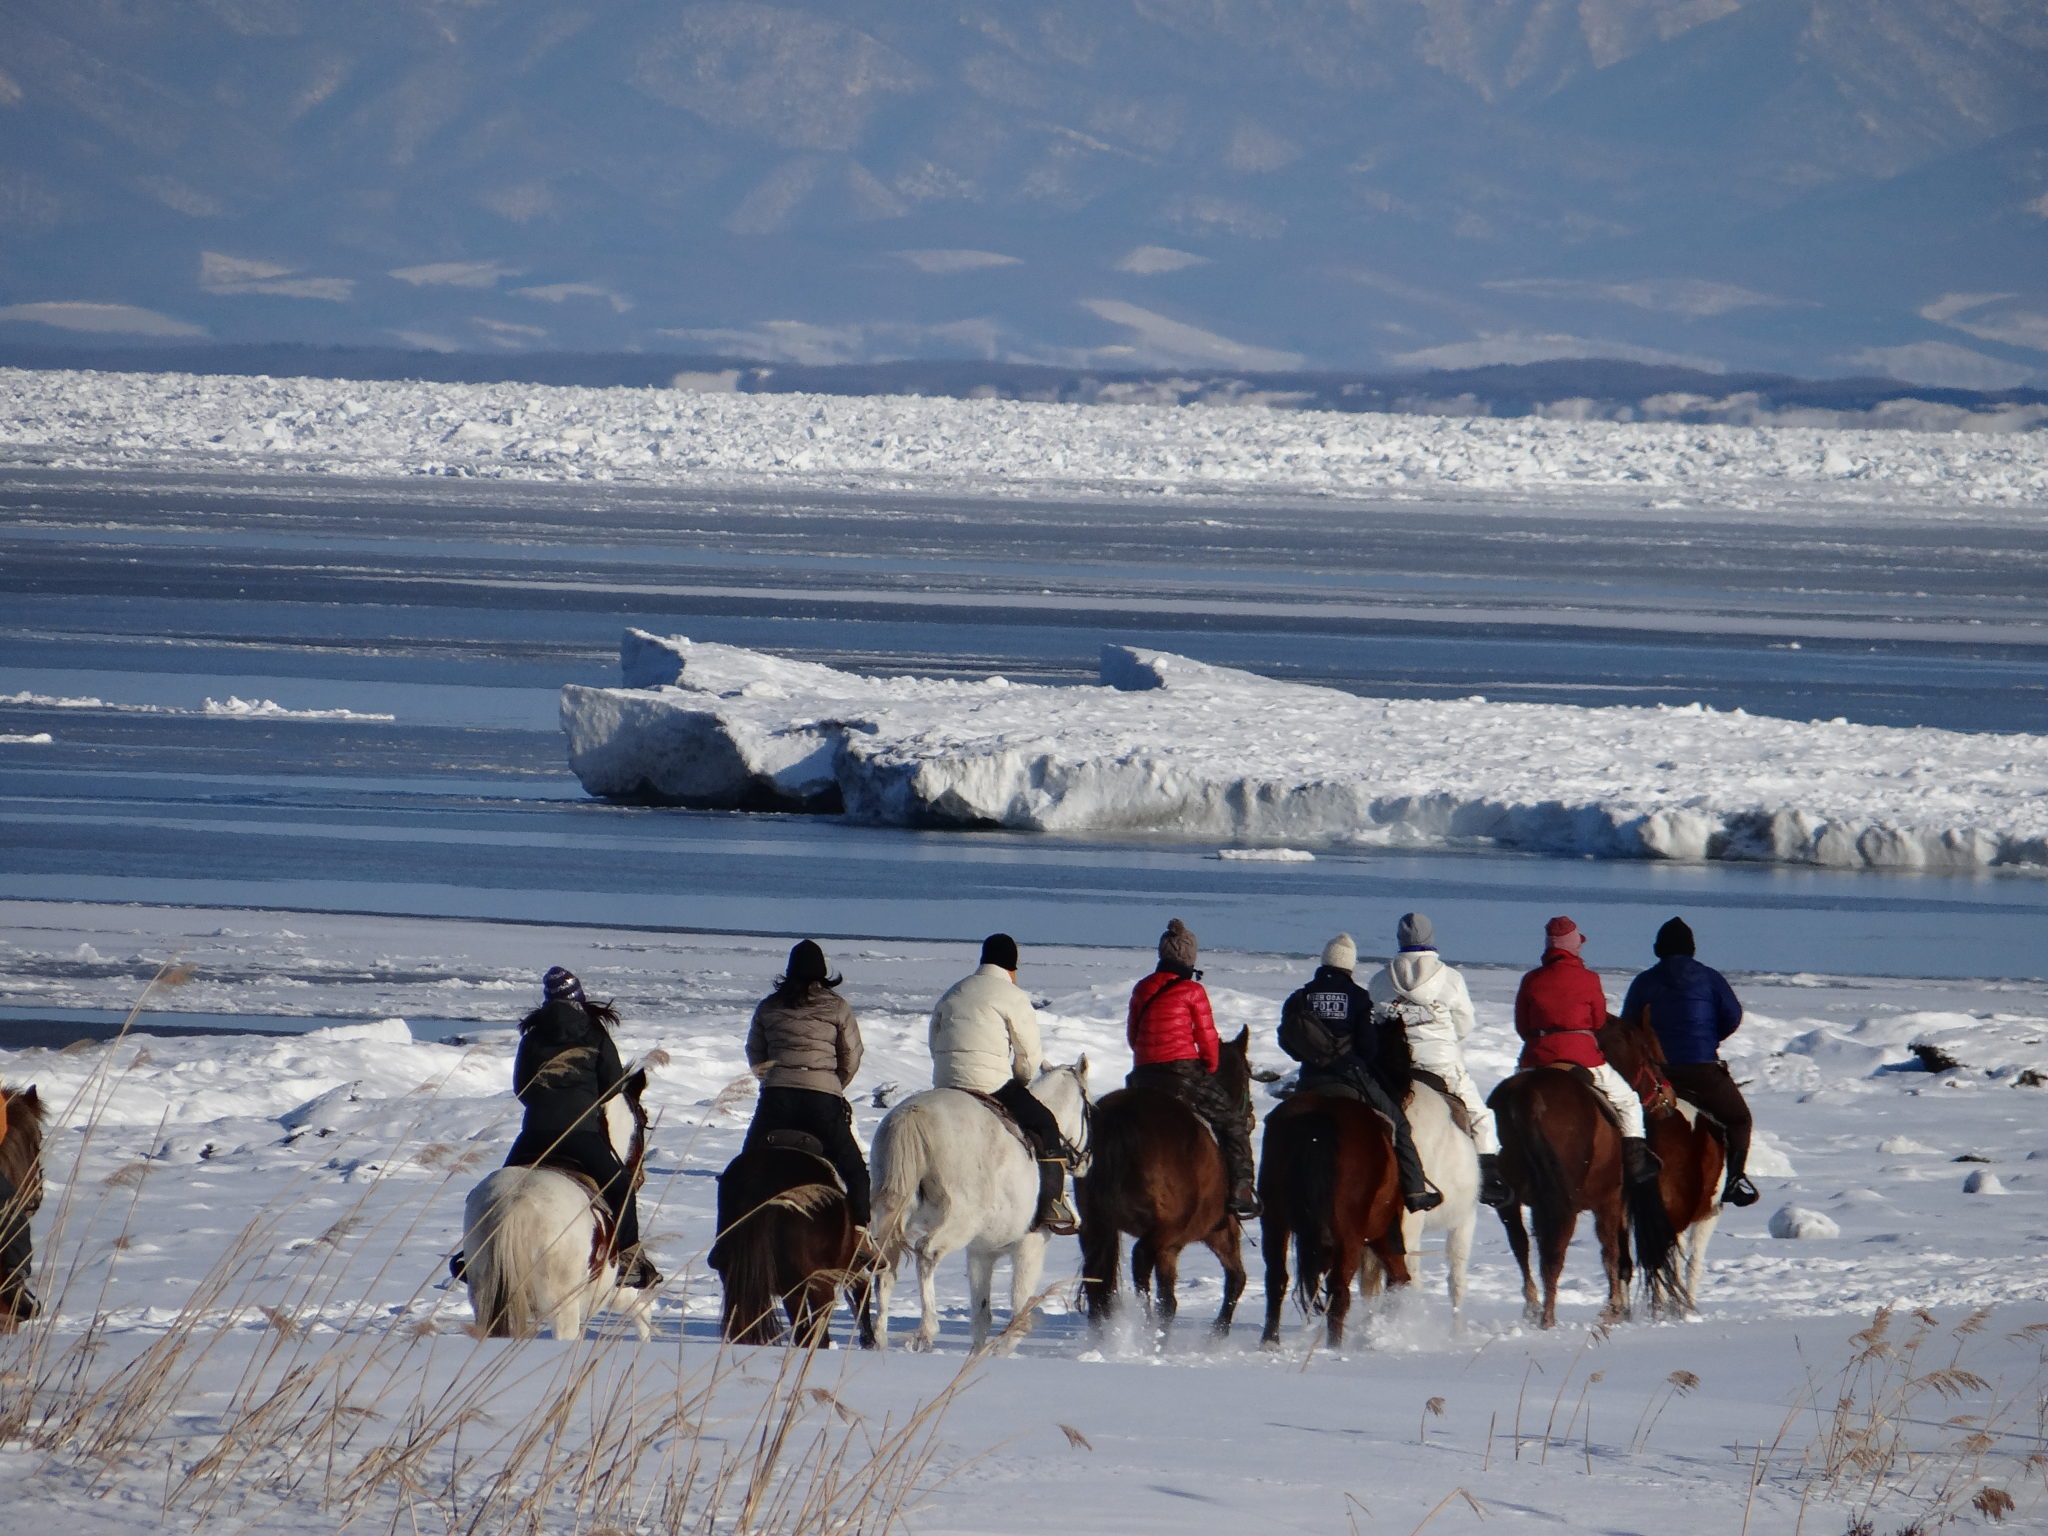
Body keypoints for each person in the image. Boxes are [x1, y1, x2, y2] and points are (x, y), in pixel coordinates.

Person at [491, 966, 659, 1287]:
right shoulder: (595, 1033)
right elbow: (611, 1087)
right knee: (621, 1188)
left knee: (502, 1192)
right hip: (581, 1135)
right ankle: (627, 1259)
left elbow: (522, 1088)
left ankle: (475, 1255)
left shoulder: (533, 1036)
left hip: (535, 1134)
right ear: (579, 997)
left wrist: (545, 1105)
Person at [929, 933, 1078, 1235]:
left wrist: (947, 1073)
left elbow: (934, 1040)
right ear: (1013, 967)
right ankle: (1052, 1204)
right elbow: (1028, 1054)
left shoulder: (954, 991)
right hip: (990, 1083)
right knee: (1046, 1124)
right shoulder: (1011, 995)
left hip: (946, 1082)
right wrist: (1020, 1082)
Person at [1284, 933, 1443, 1214]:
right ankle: (1415, 1190)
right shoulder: (1358, 997)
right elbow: (1369, 1048)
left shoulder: (1300, 996)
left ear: (1324, 961)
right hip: (1351, 1077)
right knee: (1398, 1124)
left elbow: (1288, 1042)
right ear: (1350, 964)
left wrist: (1312, 1057)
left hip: (1309, 1080)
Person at [1364, 914, 1510, 1208]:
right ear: (1431, 940)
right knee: (1479, 1115)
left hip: (1395, 1067)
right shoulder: (1450, 979)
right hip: (1442, 1065)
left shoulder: (1380, 979)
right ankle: (1487, 1175)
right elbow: (1464, 1024)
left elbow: (1375, 1022)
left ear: (1400, 940)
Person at [1126, 918, 1261, 1220]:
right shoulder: (1191, 991)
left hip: (1143, 1074)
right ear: (1189, 957)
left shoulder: (1142, 987)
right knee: (1232, 1122)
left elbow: (1133, 1035)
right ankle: (1241, 1189)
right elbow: (1207, 1038)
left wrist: (1148, 1057)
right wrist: (1210, 1067)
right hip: (1182, 1073)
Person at [1621, 917, 1758, 1207]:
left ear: (1658, 949)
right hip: (1703, 1071)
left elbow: (1628, 1026)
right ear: (1692, 948)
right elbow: (1732, 1015)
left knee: (1625, 1117)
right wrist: (1709, 1039)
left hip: (1659, 1074)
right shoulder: (1710, 978)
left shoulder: (1644, 981)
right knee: (1739, 1119)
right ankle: (1735, 1180)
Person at [1513, 918, 1658, 1187]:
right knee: (1627, 1101)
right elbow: (1599, 1021)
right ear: (1574, 946)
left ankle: (1500, 1159)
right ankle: (1636, 1162)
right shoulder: (1589, 978)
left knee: (1510, 1102)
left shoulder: (1531, 979)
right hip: (1582, 1057)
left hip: (1537, 1057)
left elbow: (1522, 1025)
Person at [744, 939, 870, 1227]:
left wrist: (773, 1079)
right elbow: (851, 1054)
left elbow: (755, 1052)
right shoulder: (837, 1007)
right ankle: (861, 1232)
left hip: (776, 1099)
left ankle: (738, 1228)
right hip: (822, 1100)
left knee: (746, 1166)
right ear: (824, 973)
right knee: (855, 1172)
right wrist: (833, 1084)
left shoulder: (769, 1006)